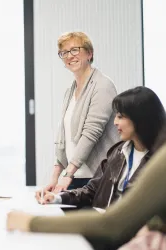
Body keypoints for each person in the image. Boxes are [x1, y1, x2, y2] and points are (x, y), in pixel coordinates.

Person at [7, 37, 166, 249]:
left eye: (74, 50)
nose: (115, 122)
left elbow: (114, 224)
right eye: (64, 52)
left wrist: (29, 222)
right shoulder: (120, 151)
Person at [36, 87, 166, 210]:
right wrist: (56, 197)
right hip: (104, 225)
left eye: (120, 116)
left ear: (140, 118)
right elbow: (91, 191)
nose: (115, 122)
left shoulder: (164, 159)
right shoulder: (117, 152)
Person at [46, 31, 119, 193]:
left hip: (98, 177)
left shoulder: (102, 86)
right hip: (74, 177)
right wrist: (54, 177)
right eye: (64, 53)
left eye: (74, 50)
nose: (69, 56)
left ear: (89, 53)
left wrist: (67, 174)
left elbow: (91, 133)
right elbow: (63, 138)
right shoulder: (69, 91)